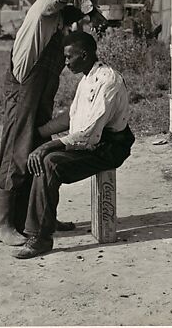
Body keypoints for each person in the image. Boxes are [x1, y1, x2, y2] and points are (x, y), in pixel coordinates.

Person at [0, 0, 107, 246]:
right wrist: (91, 11)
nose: (80, 18)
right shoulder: (46, 9)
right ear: (75, 3)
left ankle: (36, 219)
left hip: (40, 94)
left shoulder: (58, 25)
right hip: (24, 90)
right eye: (81, 10)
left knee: (37, 149)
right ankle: (3, 222)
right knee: (17, 150)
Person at [12, 31, 135, 259]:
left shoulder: (107, 82)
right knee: (39, 154)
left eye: (69, 57)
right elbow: (72, 117)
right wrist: (37, 134)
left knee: (49, 162)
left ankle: (41, 237)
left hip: (111, 148)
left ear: (84, 54)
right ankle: (43, 220)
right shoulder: (88, 77)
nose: (66, 62)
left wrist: (47, 147)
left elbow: (88, 136)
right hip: (95, 142)